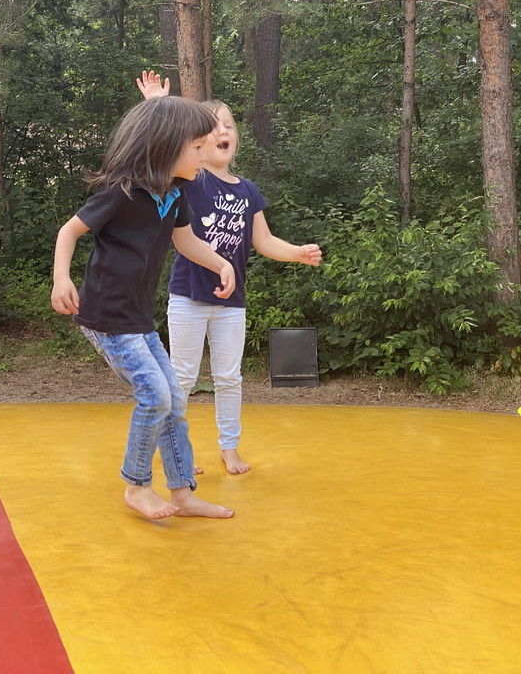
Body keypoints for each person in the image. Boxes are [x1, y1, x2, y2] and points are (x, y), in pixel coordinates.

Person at [51, 95, 237, 522]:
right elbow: (69, 232)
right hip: (107, 318)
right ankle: (136, 485)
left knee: (173, 399)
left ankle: (182, 493)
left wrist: (221, 261)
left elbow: (185, 241)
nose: (204, 155)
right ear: (167, 148)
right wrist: (62, 278)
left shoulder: (175, 193)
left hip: (138, 319)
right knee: (154, 395)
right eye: (196, 148)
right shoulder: (120, 194)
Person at [137, 72, 323, 475]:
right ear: (198, 141)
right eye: (214, 124)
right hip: (188, 295)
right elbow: (158, 149)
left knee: (229, 377)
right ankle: (175, 450)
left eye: (229, 125)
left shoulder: (247, 191)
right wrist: (156, 103)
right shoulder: (189, 181)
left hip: (230, 303)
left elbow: (264, 241)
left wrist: (296, 253)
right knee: (181, 377)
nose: (224, 130)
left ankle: (229, 447)